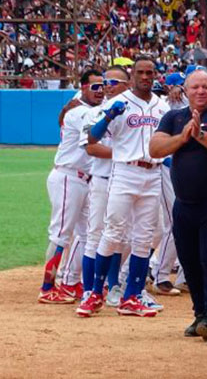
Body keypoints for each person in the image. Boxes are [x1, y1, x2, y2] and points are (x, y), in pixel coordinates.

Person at [76, 56, 171, 318]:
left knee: (143, 235)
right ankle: (95, 292)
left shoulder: (161, 106)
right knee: (113, 231)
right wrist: (107, 117)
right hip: (125, 171)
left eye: (149, 72)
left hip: (153, 173)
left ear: (155, 75)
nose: (145, 77)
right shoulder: (121, 103)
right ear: (132, 77)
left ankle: (132, 295)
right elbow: (93, 139)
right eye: (140, 72)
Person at [150, 69, 207, 341]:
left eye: (206, 87)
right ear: (185, 90)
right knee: (189, 262)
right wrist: (183, 136)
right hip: (183, 204)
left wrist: (199, 135)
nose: (201, 92)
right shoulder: (174, 117)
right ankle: (199, 313)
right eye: (195, 87)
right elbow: (155, 148)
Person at [38, 70, 104, 304]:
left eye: (102, 86)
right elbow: (93, 137)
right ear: (84, 87)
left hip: (84, 179)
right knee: (61, 233)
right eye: (95, 86)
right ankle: (47, 287)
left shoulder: (84, 105)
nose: (100, 90)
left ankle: (71, 282)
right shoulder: (79, 112)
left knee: (88, 233)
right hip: (68, 177)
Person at [78, 67, 130, 303]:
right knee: (96, 234)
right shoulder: (94, 113)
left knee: (122, 235)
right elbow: (91, 147)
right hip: (101, 179)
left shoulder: (133, 111)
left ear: (126, 85)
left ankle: (116, 285)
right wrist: (124, 152)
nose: (106, 86)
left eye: (112, 82)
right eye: (102, 83)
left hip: (126, 179)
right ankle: (89, 289)